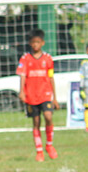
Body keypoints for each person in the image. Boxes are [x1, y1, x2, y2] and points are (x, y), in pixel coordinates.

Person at [18, 28, 58, 161]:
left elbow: (51, 77)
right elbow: (22, 75)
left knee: (48, 116)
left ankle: (49, 145)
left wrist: (55, 97)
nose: (35, 44)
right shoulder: (25, 58)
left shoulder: (48, 58)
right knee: (36, 122)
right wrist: (22, 91)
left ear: (43, 43)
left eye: (38, 42)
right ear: (30, 43)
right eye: (33, 42)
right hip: (31, 95)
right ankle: (39, 151)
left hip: (45, 94)